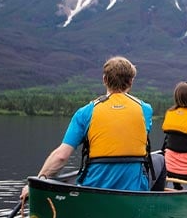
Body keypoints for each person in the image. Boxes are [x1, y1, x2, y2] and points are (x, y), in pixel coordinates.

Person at [20, 56, 153, 201]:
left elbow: (61, 156)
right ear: (131, 82)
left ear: (105, 80)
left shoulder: (85, 112)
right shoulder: (145, 110)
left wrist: (38, 181)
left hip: (93, 191)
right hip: (133, 192)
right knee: (158, 161)